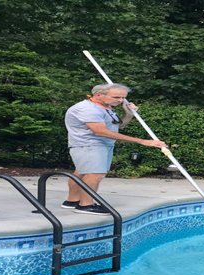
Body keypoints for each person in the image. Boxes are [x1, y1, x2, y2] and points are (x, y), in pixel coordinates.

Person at [62, 83, 166, 215]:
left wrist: (128, 114)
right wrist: (142, 141)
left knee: (82, 172)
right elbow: (100, 131)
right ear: (98, 95)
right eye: (116, 97)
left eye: (123, 97)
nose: (120, 100)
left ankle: (72, 201)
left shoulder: (106, 107)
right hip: (89, 144)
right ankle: (85, 205)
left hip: (100, 144)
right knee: (95, 174)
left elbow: (117, 126)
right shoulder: (88, 109)